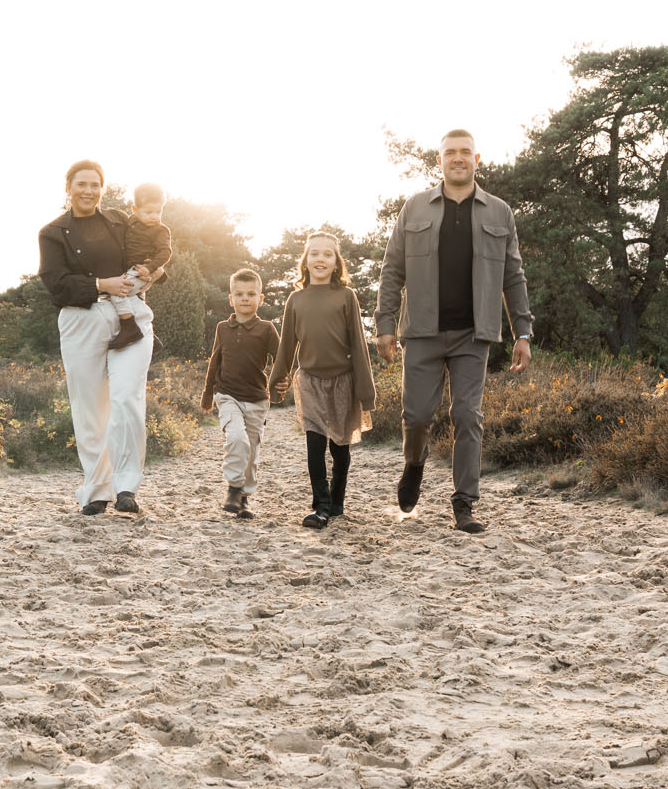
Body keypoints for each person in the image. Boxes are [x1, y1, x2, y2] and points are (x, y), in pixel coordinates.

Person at [375, 128, 533, 534]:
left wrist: (523, 332)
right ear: (439, 160)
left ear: (477, 160)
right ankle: (414, 465)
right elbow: (392, 270)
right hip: (423, 332)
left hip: (473, 334)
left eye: (466, 153)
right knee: (417, 415)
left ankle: (464, 503)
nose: (458, 158)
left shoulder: (500, 212)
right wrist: (385, 325)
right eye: (450, 153)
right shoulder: (415, 208)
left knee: (467, 415)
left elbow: (513, 276)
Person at [38, 159, 154, 515]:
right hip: (80, 320)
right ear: (68, 188)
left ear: (102, 188)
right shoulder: (52, 233)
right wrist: (100, 284)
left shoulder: (121, 221)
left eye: (95, 184)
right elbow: (56, 285)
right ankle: (97, 489)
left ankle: (125, 488)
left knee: (125, 400)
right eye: (81, 184)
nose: (88, 190)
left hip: (129, 315)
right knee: (89, 408)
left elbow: (149, 249)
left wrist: (152, 271)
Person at [268, 233, 375, 529]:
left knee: (340, 449)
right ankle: (321, 505)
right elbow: (286, 345)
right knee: (314, 445)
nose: (320, 259)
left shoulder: (346, 296)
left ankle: (337, 499)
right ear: (305, 261)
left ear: (336, 263)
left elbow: (359, 345)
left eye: (328, 254)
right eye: (314, 253)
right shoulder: (296, 299)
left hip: (344, 381)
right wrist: (277, 382)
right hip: (311, 382)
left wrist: (366, 392)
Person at [200, 268, 278, 518]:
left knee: (252, 451)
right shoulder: (223, 327)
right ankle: (233, 488)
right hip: (227, 395)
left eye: (251, 294)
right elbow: (215, 361)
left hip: (257, 399)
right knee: (237, 439)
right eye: (239, 294)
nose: (245, 298)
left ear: (260, 299)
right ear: (231, 298)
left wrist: (279, 386)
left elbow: (283, 360)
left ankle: (243, 498)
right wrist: (207, 393)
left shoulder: (267, 329)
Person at [110, 183, 173, 352]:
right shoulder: (130, 223)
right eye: (148, 212)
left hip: (141, 270)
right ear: (135, 210)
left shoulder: (160, 230)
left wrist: (151, 267)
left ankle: (129, 327)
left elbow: (166, 252)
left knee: (118, 292)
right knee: (136, 300)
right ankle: (151, 339)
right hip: (130, 270)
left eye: (158, 212)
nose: (154, 216)